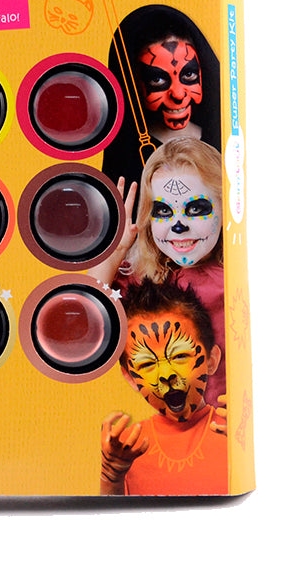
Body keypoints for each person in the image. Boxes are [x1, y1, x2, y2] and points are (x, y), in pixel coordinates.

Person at [91, 137, 226, 406]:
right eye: (163, 210)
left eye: (195, 208)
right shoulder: (139, 279)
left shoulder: (238, 276)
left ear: (225, 205)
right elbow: (86, 325)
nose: (178, 226)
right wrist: (114, 252)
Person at [99, 280, 227, 496]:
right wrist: (111, 475)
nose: (166, 374)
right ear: (131, 378)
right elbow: (114, 512)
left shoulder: (231, 430)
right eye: (147, 364)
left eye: (180, 356)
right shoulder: (125, 447)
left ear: (211, 360)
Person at [101, 5, 220, 207]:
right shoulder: (126, 159)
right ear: (133, 84)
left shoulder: (222, 140)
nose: (178, 94)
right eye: (157, 80)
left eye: (189, 74)